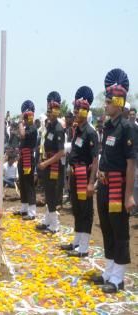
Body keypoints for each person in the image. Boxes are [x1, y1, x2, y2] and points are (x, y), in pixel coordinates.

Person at [91, 69, 135, 293]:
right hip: (105, 185)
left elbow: (131, 163)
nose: (105, 104)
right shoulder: (107, 126)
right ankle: (109, 271)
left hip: (119, 187)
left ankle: (118, 278)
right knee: (107, 228)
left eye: (108, 101)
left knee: (119, 230)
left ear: (119, 102)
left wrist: (129, 195)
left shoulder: (127, 127)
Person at [60, 86, 98, 258]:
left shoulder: (91, 132)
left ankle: (84, 247)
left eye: (78, 110)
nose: (75, 112)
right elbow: (73, 155)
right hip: (75, 174)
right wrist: (69, 176)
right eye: (75, 109)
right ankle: (76, 241)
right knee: (76, 207)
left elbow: (95, 159)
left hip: (85, 175)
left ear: (86, 111)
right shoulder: (76, 130)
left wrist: (91, 182)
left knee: (86, 210)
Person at [36, 91, 65, 234]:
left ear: (56, 112)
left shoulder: (59, 129)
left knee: (52, 194)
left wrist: (46, 163)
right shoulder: (49, 126)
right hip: (47, 162)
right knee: (48, 192)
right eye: (47, 110)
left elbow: (61, 153)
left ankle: (55, 224)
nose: (48, 113)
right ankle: (48, 220)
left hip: (53, 166)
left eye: (50, 110)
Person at [14, 100, 37, 220]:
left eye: (28, 115)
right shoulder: (27, 126)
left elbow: (22, 135)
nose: (26, 117)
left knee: (28, 184)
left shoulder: (32, 127)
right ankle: (24, 208)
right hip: (23, 157)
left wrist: (20, 121)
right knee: (22, 183)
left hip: (28, 158)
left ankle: (32, 211)